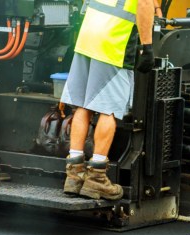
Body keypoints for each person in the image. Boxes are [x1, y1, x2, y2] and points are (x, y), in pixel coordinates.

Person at [59, 0, 157, 200]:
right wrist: (147, 46)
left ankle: (74, 174)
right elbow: (144, 3)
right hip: (114, 41)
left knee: (83, 106)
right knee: (108, 109)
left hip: (88, 36)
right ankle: (96, 177)